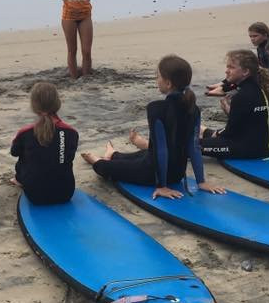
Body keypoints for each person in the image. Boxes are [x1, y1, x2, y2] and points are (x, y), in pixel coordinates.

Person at [81, 55, 226, 199]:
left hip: (151, 173)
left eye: (158, 77)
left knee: (107, 167)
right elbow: (194, 147)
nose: (157, 80)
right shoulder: (193, 108)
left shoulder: (156, 109)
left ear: (168, 83)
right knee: (142, 154)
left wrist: (161, 186)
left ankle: (97, 160)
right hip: (176, 174)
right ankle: (113, 154)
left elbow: (161, 150)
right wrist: (201, 181)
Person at [200, 50, 269, 160]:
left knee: (192, 146)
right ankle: (203, 131)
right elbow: (247, 123)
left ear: (245, 71)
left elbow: (230, 133)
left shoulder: (242, 96)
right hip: (266, 144)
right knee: (203, 131)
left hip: (250, 150)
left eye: (231, 67)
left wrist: (216, 134)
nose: (226, 71)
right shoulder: (261, 88)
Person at [10, 82, 78, 205]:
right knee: (57, 158)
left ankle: (19, 180)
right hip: (66, 192)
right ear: (57, 104)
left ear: (34, 107)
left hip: (35, 194)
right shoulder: (71, 132)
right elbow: (70, 157)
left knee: (24, 156)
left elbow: (14, 152)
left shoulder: (25, 132)